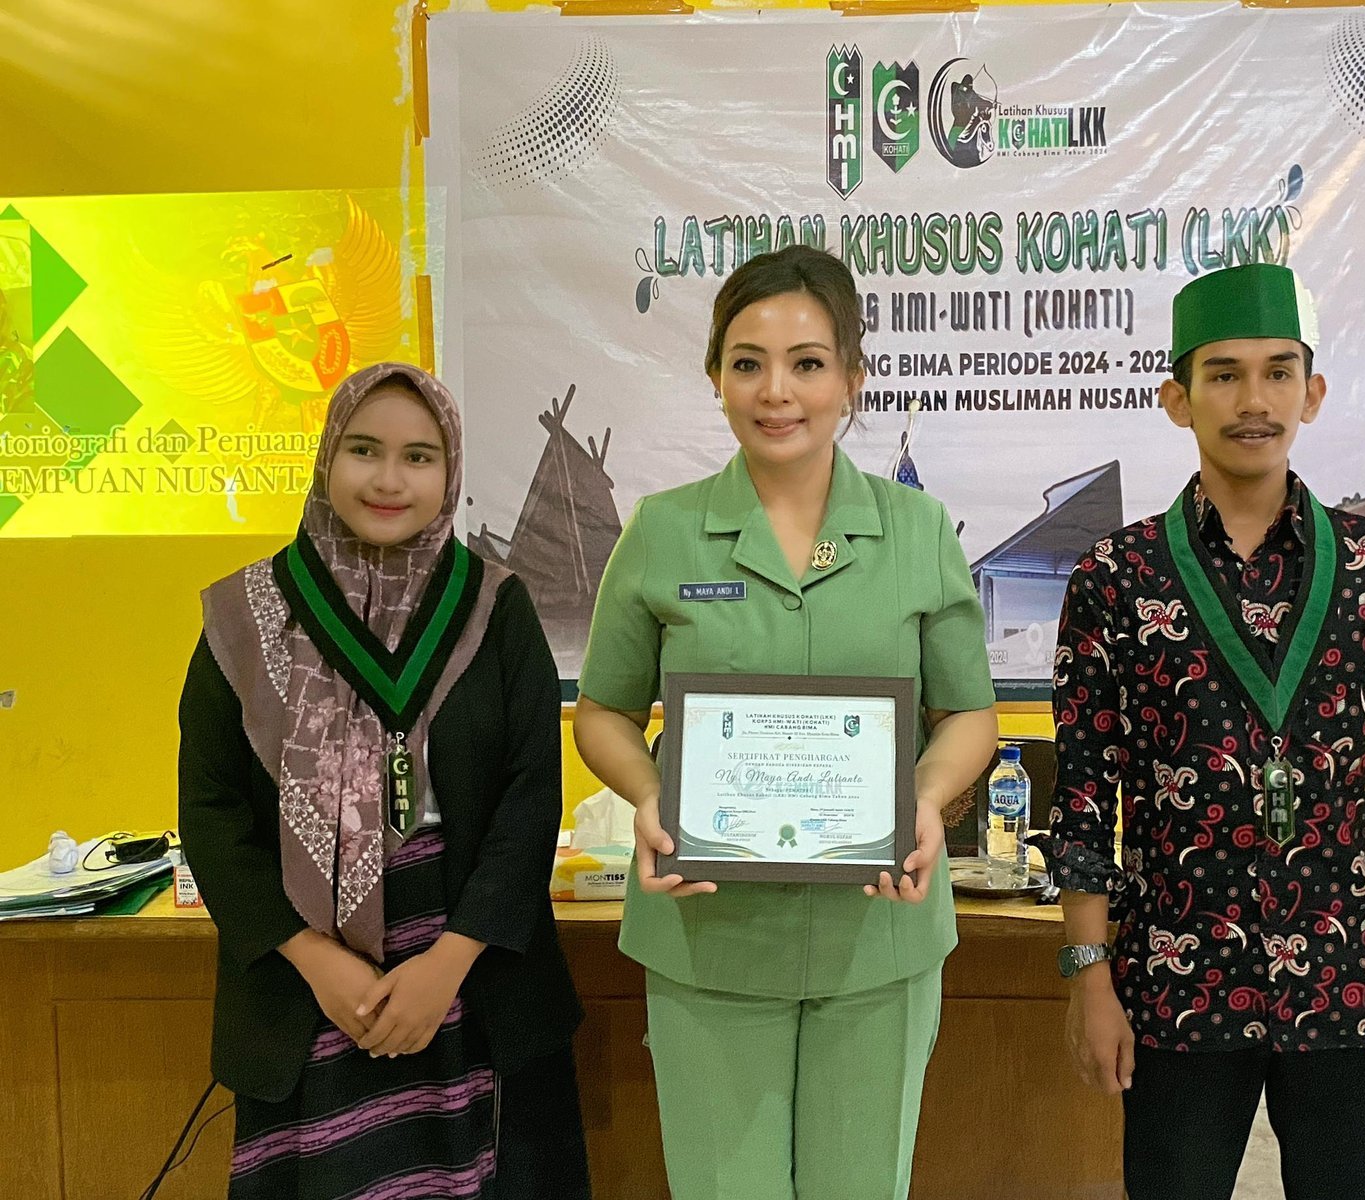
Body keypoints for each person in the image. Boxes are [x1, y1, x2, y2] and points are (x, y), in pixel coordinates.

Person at [1046, 263, 1365, 1200]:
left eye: (1279, 372)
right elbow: (1084, 798)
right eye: (1224, 374)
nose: (1254, 400)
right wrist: (1090, 976)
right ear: (1178, 399)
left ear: (1312, 393)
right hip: (1175, 979)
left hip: (1347, 977)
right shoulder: (1118, 577)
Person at [573, 245, 998, 1200]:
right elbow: (602, 713)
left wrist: (927, 797)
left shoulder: (918, 529)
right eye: (747, 362)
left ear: (852, 378)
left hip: (879, 938)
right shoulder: (662, 531)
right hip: (709, 937)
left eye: (808, 362)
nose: (777, 391)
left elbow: (967, 713)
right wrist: (648, 794)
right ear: (715, 376)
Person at [178, 362, 590, 1199]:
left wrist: (447, 964)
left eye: (419, 456)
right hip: (313, 993)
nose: (390, 479)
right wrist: (316, 962)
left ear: (450, 471)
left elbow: (530, 799)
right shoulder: (248, 616)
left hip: (470, 980)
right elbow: (210, 810)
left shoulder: (495, 607)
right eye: (364, 450)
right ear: (328, 456)